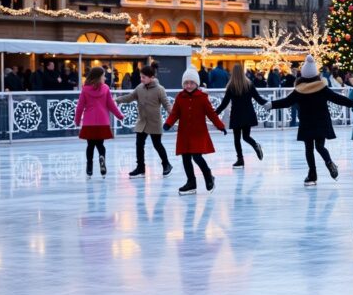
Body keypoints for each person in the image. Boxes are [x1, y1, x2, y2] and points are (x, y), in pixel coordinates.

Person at [266, 55, 353, 186]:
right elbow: (337, 98)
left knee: (309, 149)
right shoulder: (322, 88)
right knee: (320, 146)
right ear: (316, 74)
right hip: (322, 121)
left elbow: (287, 102)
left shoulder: (299, 90)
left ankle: (312, 175)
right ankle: (329, 162)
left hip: (307, 123)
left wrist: (271, 104)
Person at [163, 68, 227, 196]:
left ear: (196, 84)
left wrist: (220, 126)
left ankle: (208, 176)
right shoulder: (180, 97)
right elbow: (175, 113)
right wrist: (168, 123)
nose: (188, 85)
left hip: (198, 133)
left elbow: (211, 114)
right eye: (186, 83)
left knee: (197, 157)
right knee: (185, 158)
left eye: (191, 83)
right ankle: (191, 182)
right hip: (184, 133)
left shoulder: (202, 97)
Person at [115, 65, 173, 178]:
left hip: (154, 122)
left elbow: (166, 104)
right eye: (141, 77)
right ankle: (140, 167)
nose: (141, 79)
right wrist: (117, 100)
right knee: (139, 144)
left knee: (157, 145)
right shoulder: (139, 88)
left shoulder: (159, 89)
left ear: (151, 77)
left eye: (144, 77)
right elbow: (130, 97)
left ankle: (166, 164)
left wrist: (173, 114)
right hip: (142, 121)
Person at [74, 67, 125, 179]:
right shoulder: (106, 88)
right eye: (103, 76)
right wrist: (120, 116)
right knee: (100, 145)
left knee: (90, 145)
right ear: (98, 77)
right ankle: (101, 157)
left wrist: (77, 120)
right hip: (103, 122)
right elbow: (111, 105)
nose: (105, 78)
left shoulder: (85, 89)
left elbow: (80, 107)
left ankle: (89, 167)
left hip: (89, 123)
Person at [215, 64, 268, 169]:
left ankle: (240, 160)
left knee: (237, 139)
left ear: (233, 73)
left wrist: (215, 113)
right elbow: (258, 98)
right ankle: (255, 145)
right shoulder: (249, 84)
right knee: (246, 136)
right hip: (248, 114)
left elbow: (224, 103)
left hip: (236, 115)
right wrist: (270, 104)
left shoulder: (231, 87)